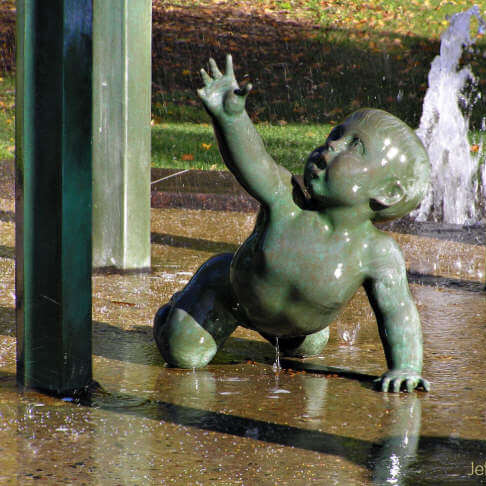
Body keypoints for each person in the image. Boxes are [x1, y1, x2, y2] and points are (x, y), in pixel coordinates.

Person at [154, 55, 431, 393]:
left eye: (354, 147)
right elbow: (254, 163)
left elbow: (398, 312)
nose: (331, 144)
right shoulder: (287, 199)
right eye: (336, 135)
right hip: (230, 296)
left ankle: (295, 334)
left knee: (308, 349)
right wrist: (231, 118)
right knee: (183, 354)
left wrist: (406, 367)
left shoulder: (377, 252)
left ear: (388, 192)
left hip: (299, 327)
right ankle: (174, 310)